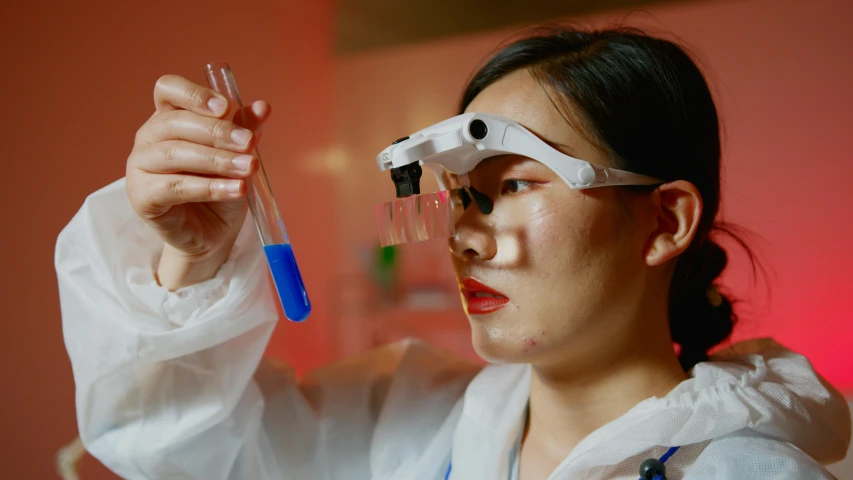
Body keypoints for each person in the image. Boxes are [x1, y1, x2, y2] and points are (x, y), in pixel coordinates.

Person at [57, 25, 850, 480]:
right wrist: (188, 261)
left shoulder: (745, 472)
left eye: (511, 186)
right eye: (461, 196)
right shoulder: (417, 423)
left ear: (665, 223)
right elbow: (189, 450)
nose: (464, 235)